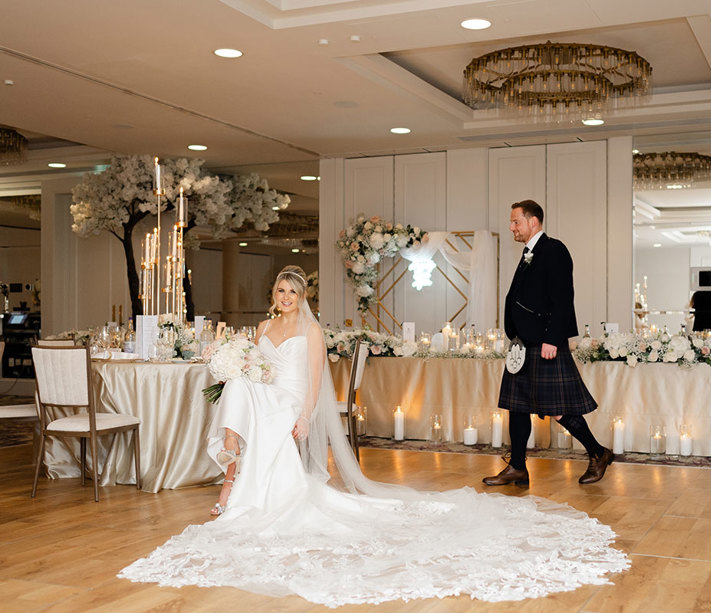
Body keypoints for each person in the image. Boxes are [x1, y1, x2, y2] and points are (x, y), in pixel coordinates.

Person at [119, 265, 629, 606]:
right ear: (273, 296)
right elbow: (255, 370)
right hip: (266, 392)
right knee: (237, 387)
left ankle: (231, 476)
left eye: (293, 292)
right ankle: (234, 467)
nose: (285, 298)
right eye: (280, 292)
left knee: (247, 398)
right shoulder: (259, 330)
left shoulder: (311, 332)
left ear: (303, 298)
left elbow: (317, 381)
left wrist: (306, 417)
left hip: (293, 398)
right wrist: (242, 369)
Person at [484, 201, 614, 488]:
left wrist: (552, 339)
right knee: (516, 407)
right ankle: (517, 467)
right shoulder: (528, 253)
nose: (511, 227)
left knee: (556, 408)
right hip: (522, 345)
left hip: (543, 343)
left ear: (533, 222)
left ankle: (598, 452)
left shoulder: (553, 249)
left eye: (516, 221)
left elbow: (563, 298)